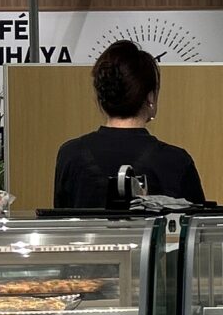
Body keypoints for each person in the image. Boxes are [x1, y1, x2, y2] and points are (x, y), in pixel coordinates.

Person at [50, 40, 206, 210]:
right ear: (150, 97)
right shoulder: (176, 160)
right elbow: (198, 223)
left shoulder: (70, 155)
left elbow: (61, 219)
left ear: (101, 97)